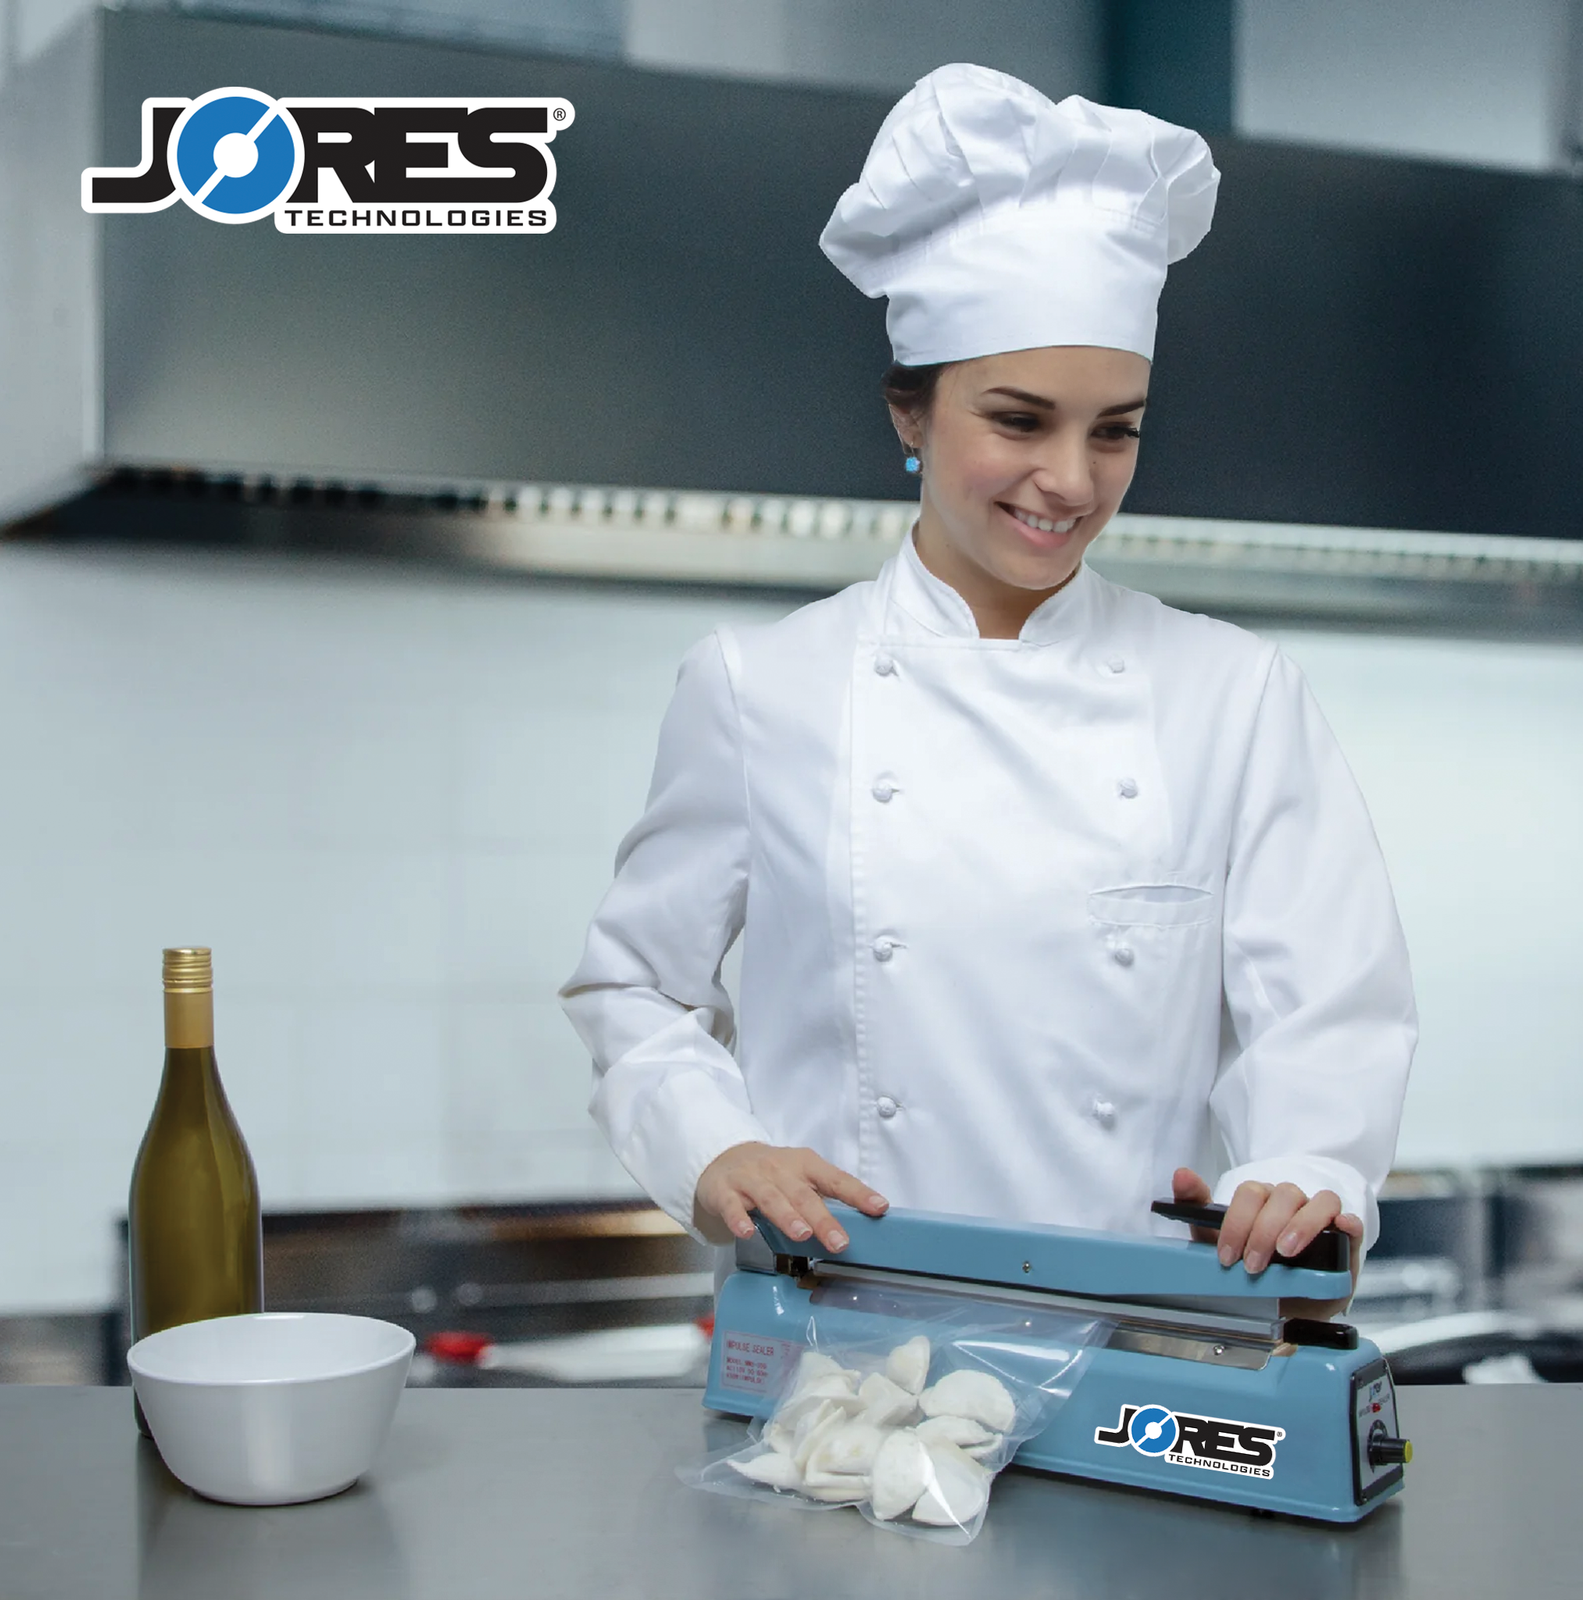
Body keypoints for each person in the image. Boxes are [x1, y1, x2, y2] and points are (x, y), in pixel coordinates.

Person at [561, 64, 1415, 1294]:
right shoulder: (762, 686)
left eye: (1114, 427)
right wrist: (714, 1144)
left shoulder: (1234, 694)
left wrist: (1305, 1166)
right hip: (842, 1337)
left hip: (1137, 1337)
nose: (1069, 478)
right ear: (910, 413)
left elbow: (1330, 1009)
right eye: (1018, 420)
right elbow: (633, 982)